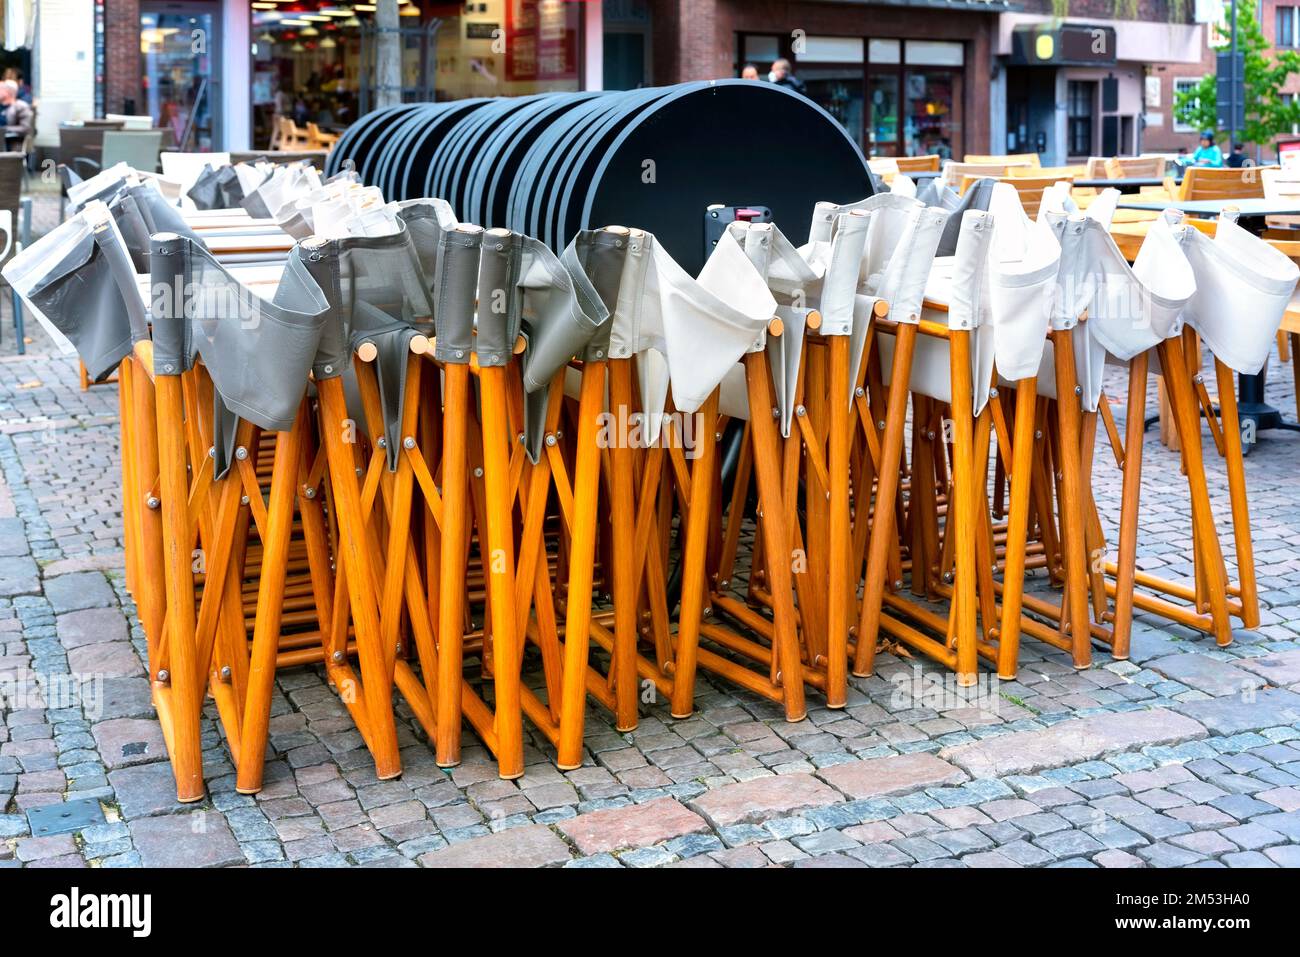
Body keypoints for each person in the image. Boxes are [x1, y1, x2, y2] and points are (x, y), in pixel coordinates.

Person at [0, 79, 34, 152]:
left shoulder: (21, 107)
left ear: (7, 92)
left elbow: (26, 128)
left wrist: (3, 129)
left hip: (9, 145)